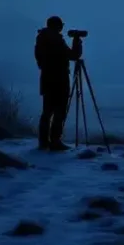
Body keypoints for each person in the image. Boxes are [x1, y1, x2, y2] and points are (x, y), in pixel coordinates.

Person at [34, 15, 83, 151]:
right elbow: (73, 56)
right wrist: (77, 41)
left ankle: (43, 142)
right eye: (61, 25)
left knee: (47, 112)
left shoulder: (41, 38)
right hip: (59, 79)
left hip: (47, 79)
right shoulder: (55, 39)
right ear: (57, 26)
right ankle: (55, 141)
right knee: (59, 111)